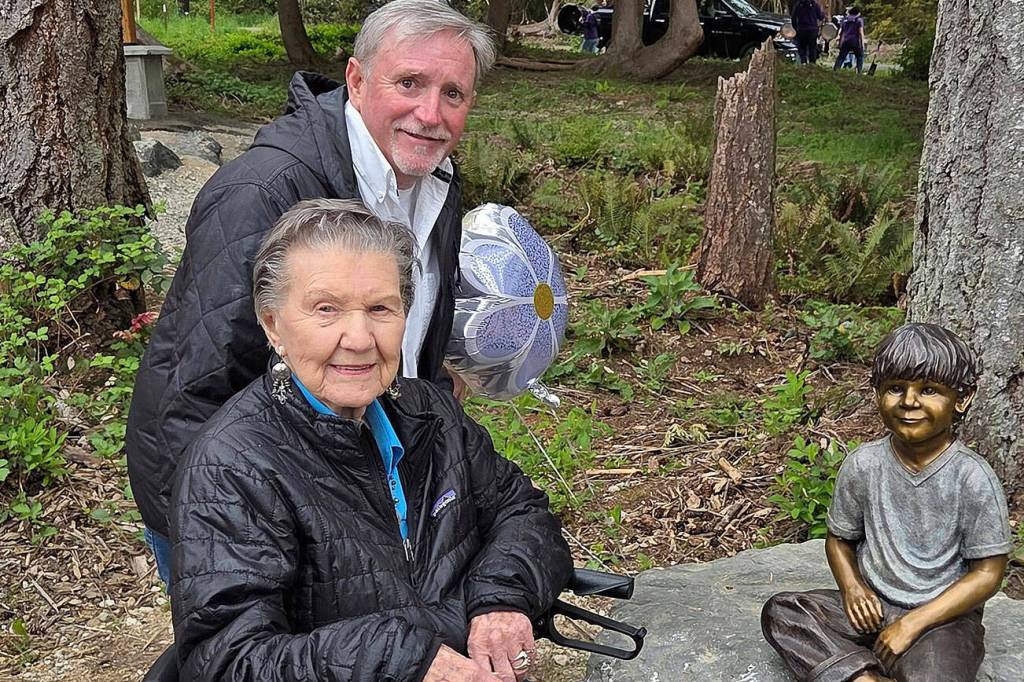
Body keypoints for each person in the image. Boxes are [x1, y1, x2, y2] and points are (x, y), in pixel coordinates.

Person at [126, 0, 495, 588]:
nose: (430, 113)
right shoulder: (262, 194)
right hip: (247, 515)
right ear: (356, 79)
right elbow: (196, 393)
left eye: (453, 93)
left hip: (360, 488)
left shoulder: (435, 183)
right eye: (409, 83)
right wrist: (228, 538)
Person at [170, 199, 574, 682]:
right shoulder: (231, 467)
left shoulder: (429, 412)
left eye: (380, 308)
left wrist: (500, 601)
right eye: (326, 309)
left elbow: (522, 511)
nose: (360, 339)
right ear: (272, 324)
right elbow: (228, 662)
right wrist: (402, 662)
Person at [761, 323, 1012, 681]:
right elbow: (840, 540)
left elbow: (988, 574)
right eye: (896, 388)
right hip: (872, 607)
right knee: (784, 613)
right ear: (876, 393)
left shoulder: (973, 477)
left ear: (962, 398)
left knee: (940, 673)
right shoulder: (863, 464)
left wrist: (912, 623)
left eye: (929, 390)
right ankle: (865, 677)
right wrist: (852, 588)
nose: (909, 401)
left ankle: (857, 667)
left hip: (941, 620)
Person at [833, 6, 866, 73]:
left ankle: (836, 69)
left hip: (845, 41)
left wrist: (839, 42)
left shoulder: (845, 20)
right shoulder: (859, 20)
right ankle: (859, 71)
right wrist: (862, 44)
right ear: (858, 13)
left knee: (841, 56)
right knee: (859, 56)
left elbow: (841, 32)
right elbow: (861, 32)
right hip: (855, 41)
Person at [791, 0, 824, 65]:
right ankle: (812, 63)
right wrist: (822, 14)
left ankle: (803, 62)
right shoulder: (814, 4)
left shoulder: (798, 5)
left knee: (802, 47)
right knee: (812, 48)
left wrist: (796, 29)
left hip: (802, 29)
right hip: (812, 30)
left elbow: (793, 18)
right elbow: (820, 17)